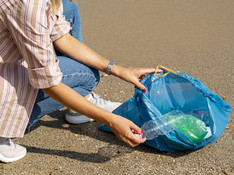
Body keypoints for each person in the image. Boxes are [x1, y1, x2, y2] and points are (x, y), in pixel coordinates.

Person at [0, 0, 161, 163]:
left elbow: (63, 38)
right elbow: (48, 83)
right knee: (88, 76)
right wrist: (110, 120)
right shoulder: (30, 5)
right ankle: (2, 134)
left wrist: (120, 70)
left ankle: (79, 104)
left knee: (68, 9)